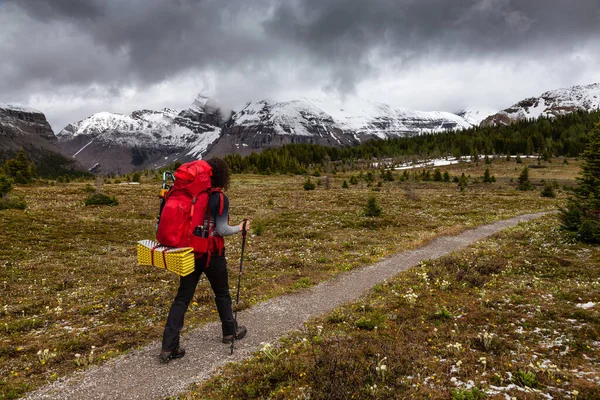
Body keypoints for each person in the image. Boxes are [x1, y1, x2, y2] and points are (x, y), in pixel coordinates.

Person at [159, 157, 250, 363]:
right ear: (222, 176)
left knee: (182, 298)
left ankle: (169, 346)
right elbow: (222, 230)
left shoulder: (194, 196)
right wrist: (241, 228)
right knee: (222, 294)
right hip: (213, 254)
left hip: (190, 252)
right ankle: (230, 331)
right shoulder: (219, 198)